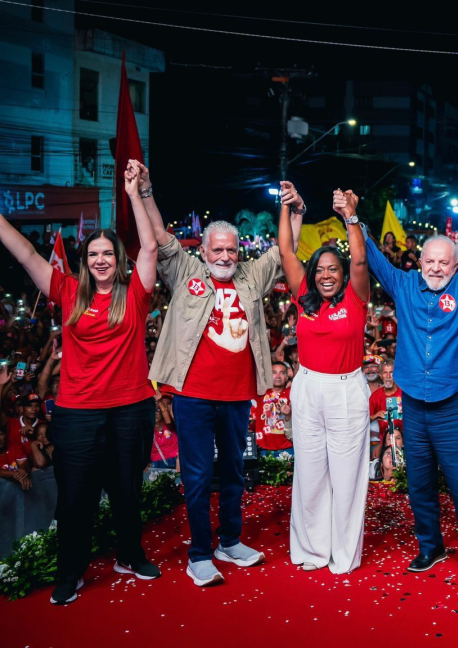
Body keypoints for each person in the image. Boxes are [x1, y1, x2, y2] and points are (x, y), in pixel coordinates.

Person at [134, 161, 302, 587]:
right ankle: (199, 554)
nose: (225, 257)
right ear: (204, 252)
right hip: (193, 394)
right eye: (218, 251)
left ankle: (230, 540)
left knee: (233, 470)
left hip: (238, 393)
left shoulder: (251, 276)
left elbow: (284, 251)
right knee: (195, 474)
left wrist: (296, 211)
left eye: (231, 250)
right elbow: (160, 238)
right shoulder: (186, 271)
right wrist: (148, 191)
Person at [0, 159, 160, 605]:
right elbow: (26, 254)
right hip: (77, 414)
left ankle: (130, 554)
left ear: (117, 259)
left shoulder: (137, 294)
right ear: (85, 261)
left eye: (108, 253)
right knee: (76, 499)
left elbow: (150, 247)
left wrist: (133, 194)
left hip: (131, 408)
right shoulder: (67, 290)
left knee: (128, 490)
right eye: (93, 254)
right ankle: (70, 575)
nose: (101, 259)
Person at [364, 218, 458, 583]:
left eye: (444, 262)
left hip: (455, 406)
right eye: (430, 261)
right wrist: (354, 221)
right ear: (419, 262)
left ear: (457, 265)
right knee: (419, 483)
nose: (436, 268)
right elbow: (375, 259)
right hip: (414, 404)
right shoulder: (404, 284)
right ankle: (431, 546)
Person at [282, 187, 370, 575]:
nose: (326, 275)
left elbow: (362, 261)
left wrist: (350, 215)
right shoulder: (304, 295)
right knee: (311, 472)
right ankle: (313, 550)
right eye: (320, 269)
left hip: (346, 391)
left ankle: (343, 553)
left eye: (333, 268)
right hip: (307, 388)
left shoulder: (356, 297)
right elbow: (286, 251)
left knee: (347, 476)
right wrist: (285, 207)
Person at [254, 362, 293, 458]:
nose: (278, 376)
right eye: (274, 372)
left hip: (287, 448)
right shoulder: (259, 392)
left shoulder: (292, 393)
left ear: (287, 377)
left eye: (282, 373)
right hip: (262, 449)